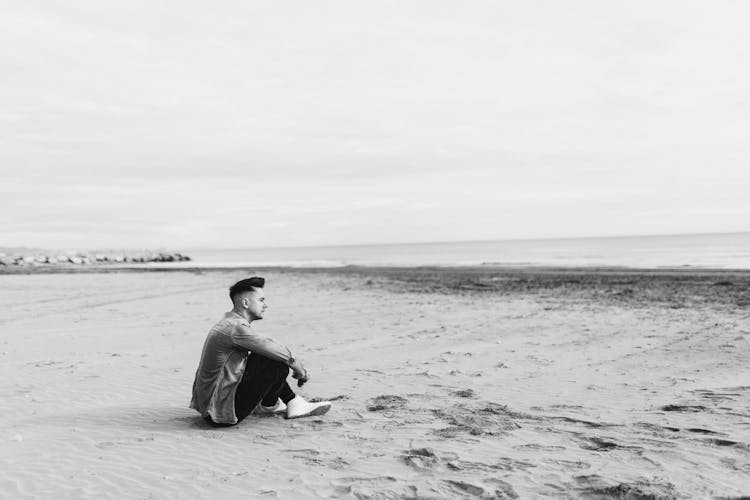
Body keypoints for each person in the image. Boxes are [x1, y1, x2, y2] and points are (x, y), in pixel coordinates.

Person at [190, 277, 331, 426]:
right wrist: (299, 368)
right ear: (245, 303)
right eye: (261, 300)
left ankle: (271, 404)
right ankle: (288, 403)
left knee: (266, 355)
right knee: (275, 361)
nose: (266, 305)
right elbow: (276, 351)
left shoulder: (228, 323)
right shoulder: (235, 328)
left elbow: (266, 345)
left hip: (211, 406)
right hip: (219, 414)